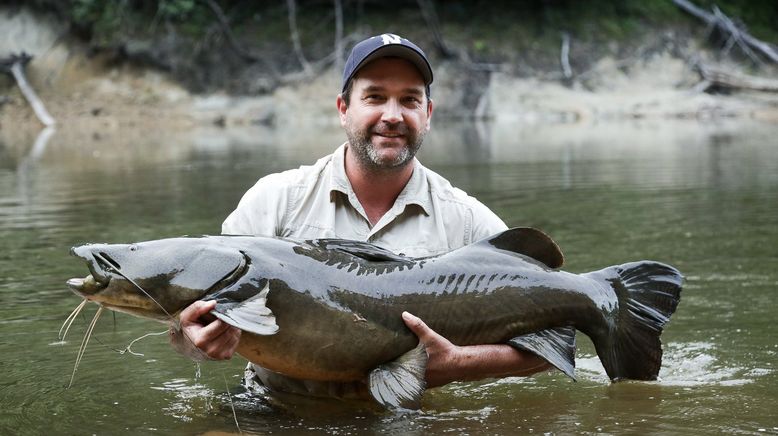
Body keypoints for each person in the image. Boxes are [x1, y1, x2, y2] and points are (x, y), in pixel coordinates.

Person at [170, 33, 552, 399]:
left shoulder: (468, 222)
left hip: (407, 417)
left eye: (409, 100)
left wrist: (460, 363)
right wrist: (194, 342)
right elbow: (188, 327)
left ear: (428, 113)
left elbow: (554, 344)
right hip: (272, 408)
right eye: (374, 97)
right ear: (343, 109)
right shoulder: (273, 202)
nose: (393, 115)